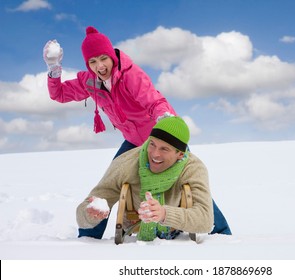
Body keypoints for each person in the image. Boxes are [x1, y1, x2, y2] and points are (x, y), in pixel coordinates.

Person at [43, 26, 231, 237]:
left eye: (103, 58)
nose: (99, 66)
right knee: (110, 182)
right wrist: (54, 69)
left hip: (162, 138)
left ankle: (222, 233)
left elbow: (153, 99)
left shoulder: (130, 75)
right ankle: (88, 237)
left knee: (185, 178)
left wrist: (164, 117)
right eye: (92, 62)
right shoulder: (89, 82)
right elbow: (59, 94)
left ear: (112, 55)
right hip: (133, 141)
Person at [76, 116, 213, 241]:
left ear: (180, 154)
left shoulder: (193, 168)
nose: (154, 154)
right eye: (152, 144)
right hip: (133, 233)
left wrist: (164, 213)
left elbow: (206, 219)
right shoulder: (126, 163)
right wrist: (90, 213)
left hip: (175, 233)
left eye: (164, 149)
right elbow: (83, 213)